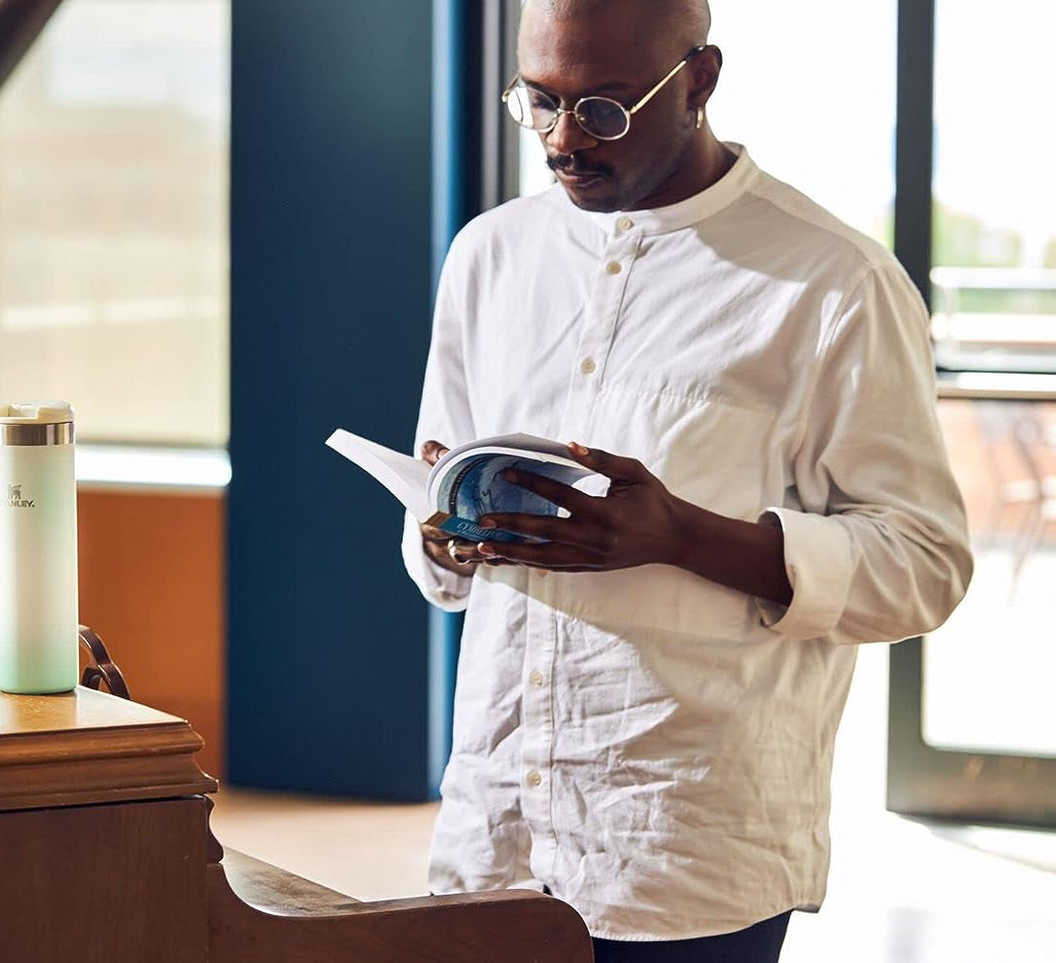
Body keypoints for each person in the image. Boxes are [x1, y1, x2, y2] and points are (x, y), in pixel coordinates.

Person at [400, 1, 974, 960]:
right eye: (538, 102)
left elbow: (924, 564)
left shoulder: (834, 284)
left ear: (699, 81)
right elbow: (439, 497)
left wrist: (678, 534)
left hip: (684, 850)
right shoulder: (489, 255)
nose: (562, 141)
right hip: (492, 833)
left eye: (605, 110)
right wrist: (444, 532)